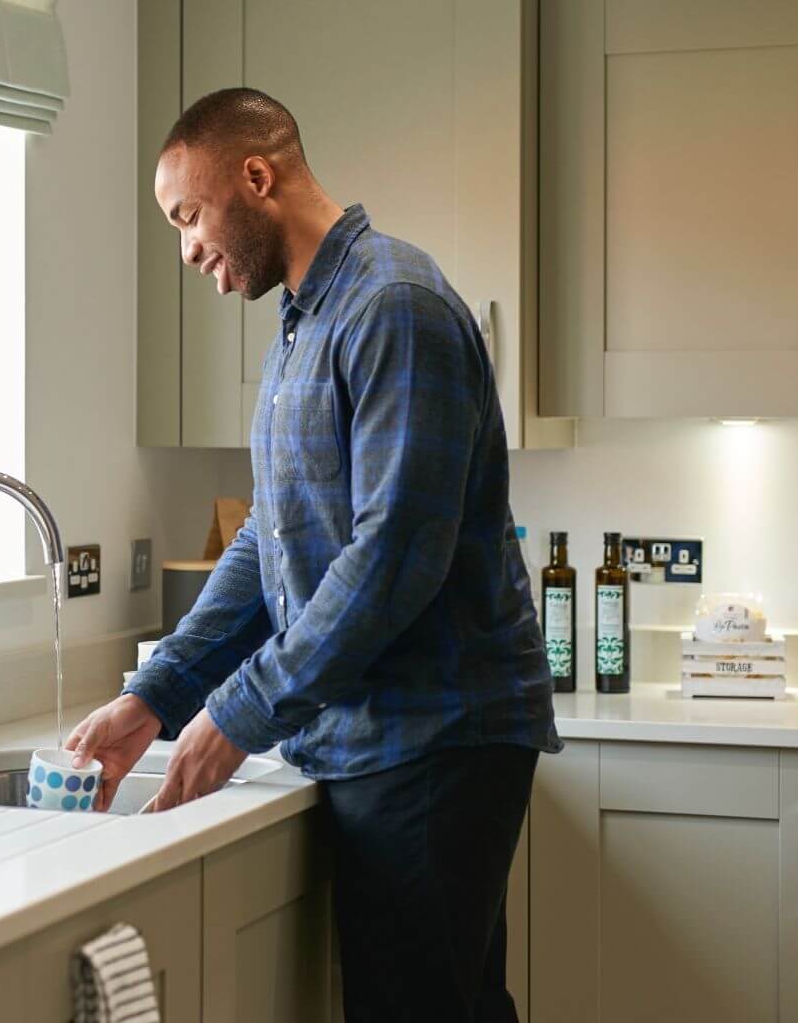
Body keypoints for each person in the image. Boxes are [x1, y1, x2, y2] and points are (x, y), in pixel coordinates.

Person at [66, 87, 559, 1022]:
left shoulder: (392, 306)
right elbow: (272, 537)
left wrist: (240, 711)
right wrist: (157, 696)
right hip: (375, 740)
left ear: (257, 176)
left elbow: (394, 560)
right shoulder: (305, 323)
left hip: (436, 740)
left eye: (188, 214)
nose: (186, 248)